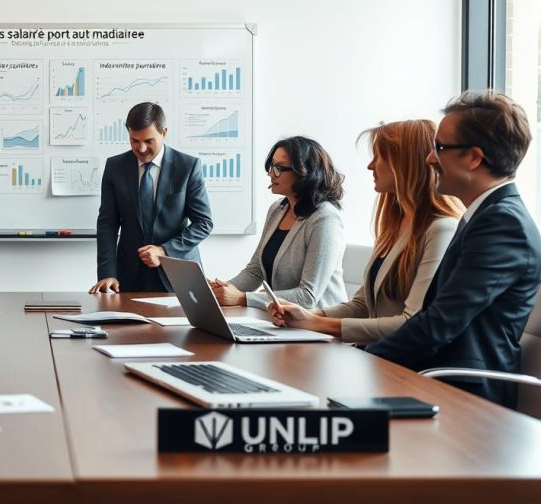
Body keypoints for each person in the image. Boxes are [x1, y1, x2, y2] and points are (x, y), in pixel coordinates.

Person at [363, 91, 541, 407]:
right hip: (437, 379)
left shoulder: (503, 223)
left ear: (474, 158)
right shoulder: (483, 214)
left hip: (465, 396)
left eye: (439, 148)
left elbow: (441, 322)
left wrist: (365, 361)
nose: (430, 158)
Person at [269, 121, 463, 342]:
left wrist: (316, 323)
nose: (371, 166)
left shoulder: (441, 229)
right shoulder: (394, 225)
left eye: (379, 156)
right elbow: (362, 305)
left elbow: (410, 321)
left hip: (401, 364)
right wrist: (307, 315)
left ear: (403, 163)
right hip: (375, 355)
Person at [209, 136, 347, 309]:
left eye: (279, 168)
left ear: (305, 173)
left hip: (319, 324)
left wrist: (242, 298)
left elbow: (307, 296)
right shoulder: (278, 209)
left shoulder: (325, 219)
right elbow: (255, 271)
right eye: (271, 166)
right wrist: (219, 291)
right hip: (282, 321)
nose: (270, 173)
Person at [90, 102, 213, 293]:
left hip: (178, 273)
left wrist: (164, 251)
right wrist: (107, 272)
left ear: (164, 132)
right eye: (134, 141)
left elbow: (204, 223)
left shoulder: (188, 167)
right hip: (128, 277)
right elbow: (107, 223)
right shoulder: (115, 167)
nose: (141, 148)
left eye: (149, 141)